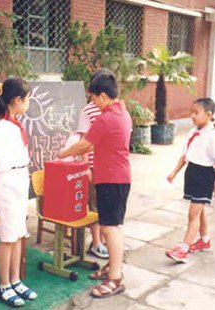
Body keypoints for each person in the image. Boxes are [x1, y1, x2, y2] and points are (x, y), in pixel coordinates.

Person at [58, 69, 131, 298]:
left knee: (110, 228)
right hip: (118, 176)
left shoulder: (107, 118)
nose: (92, 102)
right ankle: (112, 266)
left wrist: (64, 153)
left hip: (111, 178)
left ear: (102, 96)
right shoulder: (122, 112)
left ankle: (115, 278)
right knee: (113, 225)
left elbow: (84, 145)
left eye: (92, 98)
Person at [0, 78, 37, 307]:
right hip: (5, 183)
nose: (28, 102)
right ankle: (4, 284)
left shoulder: (15, 124)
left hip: (19, 180)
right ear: (17, 100)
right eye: (27, 99)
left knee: (18, 234)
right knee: (7, 237)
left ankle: (16, 280)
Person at [165, 98, 215, 263]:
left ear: (209, 114)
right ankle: (205, 240)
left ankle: (183, 249)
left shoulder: (212, 136)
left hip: (204, 176)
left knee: (193, 215)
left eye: (196, 112)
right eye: (192, 112)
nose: (192, 116)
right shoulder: (193, 132)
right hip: (192, 173)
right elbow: (185, 156)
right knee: (200, 210)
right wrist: (174, 173)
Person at [75, 71, 110, 259]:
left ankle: (104, 240)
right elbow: (82, 142)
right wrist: (85, 168)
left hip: (109, 168)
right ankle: (96, 242)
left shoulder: (114, 110)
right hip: (93, 167)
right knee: (95, 206)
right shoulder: (88, 111)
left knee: (106, 206)